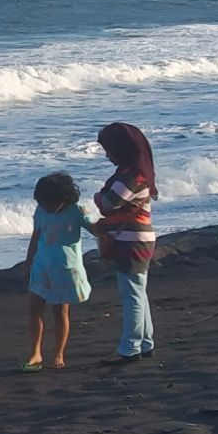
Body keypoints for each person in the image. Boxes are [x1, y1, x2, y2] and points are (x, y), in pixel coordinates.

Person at [94, 122, 158, 364]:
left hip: (132, 240)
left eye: (108, 150)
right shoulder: (139, 171)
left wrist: (98, 196)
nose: (107, 155)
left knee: (131, 294)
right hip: (139, 238)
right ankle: (145, 342)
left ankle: (130, 347)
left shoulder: (131, 174)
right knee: (138, 292)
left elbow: (109, 203)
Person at [21, 172, 98, 372]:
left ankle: (58, 353)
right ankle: (35, 352)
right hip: (42, 266)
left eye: (49, 202)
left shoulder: (77, 211)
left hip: (66, 268)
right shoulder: (40, 211)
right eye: (42, 202)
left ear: (64, 198)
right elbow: (36, 236)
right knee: (34, 308)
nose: (46, 206)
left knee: (60, 310)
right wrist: (28, 261)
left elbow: (96, 229)